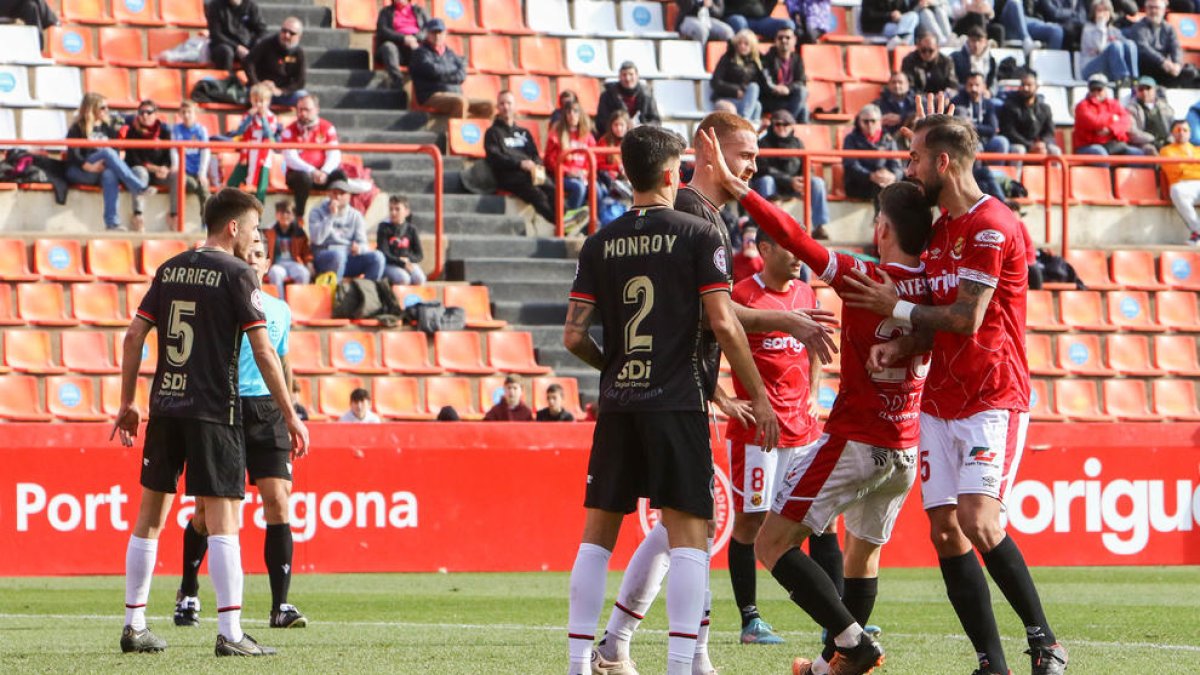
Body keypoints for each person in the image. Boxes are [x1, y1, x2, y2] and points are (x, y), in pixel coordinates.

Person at [591, 112, 839, 675]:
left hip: (678, 390)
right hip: (668, 395)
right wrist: (785, 327)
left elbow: (704, 320)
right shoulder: (686, 216)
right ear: (708, 151)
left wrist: (717, 386)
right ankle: (669, 653)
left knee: (682, 525)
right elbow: (716, 318)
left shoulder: (702, 216)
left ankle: (619, 644)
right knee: (689, 525)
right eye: (744, 153)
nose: (752, 165)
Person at [842, 104, 1068, 675]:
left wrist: (893, 308)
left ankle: (1046, 642)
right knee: (946, 530)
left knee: (980, 520)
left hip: (992, 397)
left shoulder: (993, 226)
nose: (909, 168)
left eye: (916, 158)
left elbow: (966, 318)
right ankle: (991, 661)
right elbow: (936, 319)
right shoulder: (940, 231)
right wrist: (905, 346)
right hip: (938, 404)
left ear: (944, 162)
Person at [563, 123, 779, 675]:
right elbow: (724, 323)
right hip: (678, 400)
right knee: (689, 535)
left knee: (596, 538)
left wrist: (612, 366)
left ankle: (578, 664)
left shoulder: (599, 241)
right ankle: (684, 665)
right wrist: (757, 394)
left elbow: (572, 335)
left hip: (618, 403)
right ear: (670, 172)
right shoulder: (698, 233)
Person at [112, 187, 308, 657]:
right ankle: (232, 633)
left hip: (165, 406)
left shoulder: (170, 267)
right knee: (223, 521)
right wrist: (290, 413)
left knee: (149, 518)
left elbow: (135, 334)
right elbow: (263, 351)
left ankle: (134, 624)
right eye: (254, 228)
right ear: (234, 228)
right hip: (215, 410)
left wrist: (127, 402)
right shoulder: (239, 274)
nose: (256, 237)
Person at [175, 228, 306, 631]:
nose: (253, 260)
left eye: (259, 255)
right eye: (246, 253)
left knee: (278, 501)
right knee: (205, 513)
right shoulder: (222, 303)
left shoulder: (280, 310)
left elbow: (281, 361)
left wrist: (293, 409)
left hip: (267, 410)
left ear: (267, 264)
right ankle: (189, 590)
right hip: (224, 407)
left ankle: (280, 606)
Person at [723, 223, 827, 648]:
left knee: (820, 520)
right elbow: (720, 347)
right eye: (788, 247)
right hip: (756, 432)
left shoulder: (807, 295)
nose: (799, 256)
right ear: (764, 248)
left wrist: (815, 392)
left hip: (802, 429)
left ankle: (834, 616)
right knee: (750, 521)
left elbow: (815, 346)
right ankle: (751, 620)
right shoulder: (741, 297)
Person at [65, 93, 152, 231]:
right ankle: (138, 187)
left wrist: (105, 164)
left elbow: (116, 151)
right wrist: (90, 167)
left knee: (110, 174)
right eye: (103, 107)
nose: (107, 110)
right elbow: (73, 154)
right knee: (107, 152)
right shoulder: (78, 127)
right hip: (82, 169)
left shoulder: (107, 127)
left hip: (101, 169)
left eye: (107, 107)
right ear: (92, 108)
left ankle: (112, 223)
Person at [485, 90, 561, 226]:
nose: (506, 107)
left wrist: (536, 166)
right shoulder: (492, 133)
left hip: (531, 172)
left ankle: (566, 219)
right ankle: (560, 224)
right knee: (538, 195)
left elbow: (535, 155)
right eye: (502, 104)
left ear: (514, 106)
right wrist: (520, 163)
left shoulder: (523, 132)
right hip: (509, 176)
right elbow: (495, 158)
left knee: (553, 188)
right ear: (497, 107)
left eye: (509, 103)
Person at [751, 110, 831, 239]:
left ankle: (819, 226)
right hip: (774, 187)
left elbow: (807, 167)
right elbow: (763, 169)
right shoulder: (763, 143)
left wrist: (803, 180)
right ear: (772, 125)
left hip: (794, 186)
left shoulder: (798, 143)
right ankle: (768, 224)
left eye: (786, 124)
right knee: (766, 181)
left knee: (817, 183)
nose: (782, 128)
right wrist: (789, 181)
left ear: (792, 126)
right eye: (778, 124)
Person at [409, 18, 494, 118]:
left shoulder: (450, 53)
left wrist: (443, 73)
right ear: (427, 34)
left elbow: (461, 75)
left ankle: (475, 130)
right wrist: (452, 70)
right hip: (432, 95)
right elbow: (433, 71)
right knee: (460, 102)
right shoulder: (420, 53)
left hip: (454, 93)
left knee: (488, 105)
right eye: (433, 32)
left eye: (440, 32)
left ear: (445, 34)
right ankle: (458, 131)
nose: (437, 36)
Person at [309, 178, 384, 282]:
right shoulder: (317, 212)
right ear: (329, 194)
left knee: (378, 257)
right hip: (326, 256)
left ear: (349, 196)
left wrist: (359, 249)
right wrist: (331, 216)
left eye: (342, 193)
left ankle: (366, 292)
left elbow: (363, 244)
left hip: (349, 257)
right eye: (335, 193)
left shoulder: (356, 215)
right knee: (338, 255)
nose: (338, 196)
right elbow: (317, 239)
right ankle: (337, 294)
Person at [281, 94, 344, 217]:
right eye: (300, 110)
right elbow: (290, 158)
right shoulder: (289, 130)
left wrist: (325, 171)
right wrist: (313, 171)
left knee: (340, 176)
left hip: (322, 174)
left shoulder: (327, 127)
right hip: (300, 174)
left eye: (307, 110)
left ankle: (340, 214)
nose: (303, 113)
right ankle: (299, 217)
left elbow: (334, 153)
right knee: (303, 179)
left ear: (317, 110)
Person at [119, 99, 177, 232]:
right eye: (141, 112)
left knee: (177, 175)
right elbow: (135, 160)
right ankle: (138, 215)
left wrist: (165, 168)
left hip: (158, 173)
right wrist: (157, 168)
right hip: (140, 171)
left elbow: (168, 157)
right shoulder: (132, 131)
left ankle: (174, 215)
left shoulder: (164, 131)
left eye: (148, 112)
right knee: (140, 172)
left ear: (156, 114)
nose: (145, 115)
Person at [227, 83, 281, 205]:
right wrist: (249, 118)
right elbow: (240, 132)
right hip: (246, 156)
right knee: (232, 184)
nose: (258, 104)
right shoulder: (248, 115)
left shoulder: (271, 117)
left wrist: (263, 118)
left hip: (263, 158)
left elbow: (269, 134)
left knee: (260, 191)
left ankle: (258, 220)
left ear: (268, 101)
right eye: (255, 101)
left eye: (261, 101)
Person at [1127, 0, 1199, 88]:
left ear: (1164, 10)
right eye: (1150, 8)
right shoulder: (1138, 27)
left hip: (1165, 68)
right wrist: (1163, 62)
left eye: (1156, 8)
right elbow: (1143, 49)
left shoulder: (1169, 28)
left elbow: (1176, 48)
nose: (1153, 11)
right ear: (1145, 9)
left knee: (1190, 72)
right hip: (1147, 66)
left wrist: (1177, 64)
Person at [544, 99, 598, 215]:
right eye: (568, 112)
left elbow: (593, 159)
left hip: (582, 176)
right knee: (578, 188)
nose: (572, 115)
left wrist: (585, 172)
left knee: (597, 189)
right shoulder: (556, 134)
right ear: (564, 115)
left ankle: (594, 223)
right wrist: (568, 172)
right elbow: (549, 161)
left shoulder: (587, 136)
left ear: (580, 114)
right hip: (561, 176)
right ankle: (568, 221)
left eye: (575, 111)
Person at [1074, 73, 1144, 157]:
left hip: (1112, 145)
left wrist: (1110, 129)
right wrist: (1113, 117)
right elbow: (1095, 122)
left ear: (1105, 89)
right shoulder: (1082, 106)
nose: (1096, 93)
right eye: (1093, 89)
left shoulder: (1114, 103)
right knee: (1101, 153)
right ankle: (1106, 170)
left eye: (1099, 89)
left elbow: (1126, 121)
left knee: (1137, 153)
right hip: (1088, 146)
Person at [244, 17, 308, 108]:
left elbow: (300, 81)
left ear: (299, 37)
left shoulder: (299, 53)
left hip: (282, 93)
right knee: (249, 96)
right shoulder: (266, 44)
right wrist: (258, 84)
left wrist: (282, 91)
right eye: (284, 31)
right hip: (261, 90)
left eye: (291, 33)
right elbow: (249, 62)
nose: (286, 35)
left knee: (303, 98)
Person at [843, 105, 903, 200]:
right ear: (859, 122)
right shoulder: (851, 139)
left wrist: (893, 176)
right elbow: (851, 165)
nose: (870, 124)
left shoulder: (889, 140)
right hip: (858, 184)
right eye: (865, 121)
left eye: (873, 121)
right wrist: (871, 176)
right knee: (881, 187)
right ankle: (881, 215)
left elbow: (897, 166)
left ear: (879, 122)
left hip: (885, 181)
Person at [999, 71, 1060, 157]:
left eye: (1029, 85)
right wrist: (1030, 145)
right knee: (1019, 150)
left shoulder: (1045, 108)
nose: (1025, 88)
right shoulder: (1010, 106)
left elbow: (1050, 132)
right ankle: (1016, 171)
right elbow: (1009, 132)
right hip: (1018, 143)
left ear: (1036, 87)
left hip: (1039, 145)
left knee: (1055, 151)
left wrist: (1042, 143)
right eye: (1023, 85)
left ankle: (1055, 171)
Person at [711, 29, 765, 123]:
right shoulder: (727, 58)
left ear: (752, 46)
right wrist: (736, 91)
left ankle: (746, 121)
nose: (742, 46)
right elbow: (715, 82)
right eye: (739, 43)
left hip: (745, 100)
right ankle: (744, 120)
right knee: (730, 109)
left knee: (757, 104)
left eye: (746, 44)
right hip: (725, 98)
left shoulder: (756, 63)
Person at [594, 62, 662, 136]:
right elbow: (601, 123)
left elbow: (656, 122)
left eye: (631, 74)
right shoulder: (607, 95)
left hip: (642, 137)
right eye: (624, 75)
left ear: (637, 76)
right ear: (619, 77)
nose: (628, 78)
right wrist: (620, 127)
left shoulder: (647, 95)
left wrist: (642, 127)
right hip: (614, 138)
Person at [1160, 120, 1200, 245]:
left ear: (1190, 133)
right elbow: (1176, 170)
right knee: (1177, 191)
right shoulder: (1166, 151)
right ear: (1172, 133)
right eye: (1178, 130)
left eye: (1185, 130)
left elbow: (1182, 169)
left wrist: (1186, 167)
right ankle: (1198, 231)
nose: (1181, 133)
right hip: (1183, 185)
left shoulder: (1197, 150)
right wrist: (1195, 167)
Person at [375, 0, 429, 92]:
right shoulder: (385, 12)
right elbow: (382, 31)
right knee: (389, 47)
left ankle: (424, 87)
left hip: (414, 46)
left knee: (422, 52)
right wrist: (403, 38)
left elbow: (428, 29)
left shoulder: (420, 11)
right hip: (395, 48)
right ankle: (397, 81)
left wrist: (415, 38)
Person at [1081, 0, 1139, 84]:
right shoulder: (1088, 29)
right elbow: (1100, 48)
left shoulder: (1114, 30)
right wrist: (1101, 25)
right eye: (1099, 11)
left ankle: (1134, 78)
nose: (1103, 14)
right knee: (1115, 45)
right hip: (1090, 69)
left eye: (1106, 10)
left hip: (1109, 70)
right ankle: (1122, 78)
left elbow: (1125, 47)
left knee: (1130, 44)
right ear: (1094, 13)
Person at [172, 100, 212, 219]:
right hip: (184, 171)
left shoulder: (201, 130)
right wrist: (176, 165)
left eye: (189, 112)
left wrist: (202, 173)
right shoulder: (177, 129)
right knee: (191, 184)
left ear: (195, 114)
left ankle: (206, 222)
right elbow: (174, 149)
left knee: (204, 189)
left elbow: (205, 151)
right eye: (183, 112)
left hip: (197, 170)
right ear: (180, 114)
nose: (186, 115)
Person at [263, 200, 314, 296]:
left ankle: (298, 302)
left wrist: (309, 262)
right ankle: (280, 304)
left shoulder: (299, 232)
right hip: (277, 264)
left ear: (293, 216)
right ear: (276, 215)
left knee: (304, 273)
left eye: (288, 212)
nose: (285, 215)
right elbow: (263, 251)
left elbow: (306, 251)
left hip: (294, 263)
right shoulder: (269, 231)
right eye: (281, 212)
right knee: (275, 273)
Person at [952, 72, 1008, 154]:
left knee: (1002, 142)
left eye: (977, 85)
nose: (973, 88)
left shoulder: (989, 104)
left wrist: (973, 126)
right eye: (970, 85)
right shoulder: (957, 102)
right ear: (965, 86)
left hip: (985, 140)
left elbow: (992, 129)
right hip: (966, 140)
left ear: (984, 87)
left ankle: (995, 167)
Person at [761, 27, 808, 123]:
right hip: (773, 99)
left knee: (804, 105)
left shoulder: (797, 59)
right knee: (802, 109)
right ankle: (787, 125)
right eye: (780, 38)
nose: (784, 40)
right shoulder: (767, 59)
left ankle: (786, 126)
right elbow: (765, 80)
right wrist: (776, 88)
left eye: (787, 37)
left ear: (794, 40)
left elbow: (802, 82)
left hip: (790, 98)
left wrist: (788, 88)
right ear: (775, 40)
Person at [205, 0, 267, 73]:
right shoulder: (215, 5)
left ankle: (255, 80)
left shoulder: (251, 6)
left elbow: (262, 31)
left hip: (247, 45)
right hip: (224, 44)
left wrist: (252, 47)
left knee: (259, 50)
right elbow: (215, 33)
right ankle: (225, 81)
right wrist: (236, 47)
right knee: (226, 51)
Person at [377, 194, 426, 285]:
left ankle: (416, 299)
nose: (393, 212)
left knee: (420, 278)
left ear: (406, 212)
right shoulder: (383, 228)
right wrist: (400, 262)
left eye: (397, 209)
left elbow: (419, 255)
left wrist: (408, 260)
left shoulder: (411, 229)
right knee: (404, 278)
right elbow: (384, 253)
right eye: (391, 209)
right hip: (390, 264)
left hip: (407, 262)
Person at [1126, 76, 1174, 154]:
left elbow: (1174, 127)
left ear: (1155, 90)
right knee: (1150, 151)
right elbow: (1132, 132)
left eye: (1148, 88)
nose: (1144, 92)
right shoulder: (1131, 109)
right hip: (1144, 144)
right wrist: (1152, 140)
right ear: (1136, 91)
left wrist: (1169, 140)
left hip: (1167, 142)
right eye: (1141, 89)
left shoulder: (1165, 107)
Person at [950, 26, 997, 91]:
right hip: (961, 94)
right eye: (973, 40)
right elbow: (952, 80)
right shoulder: (955, 57)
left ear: (985, 42)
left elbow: (994, 81)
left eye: (980, 41)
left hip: (984, 96)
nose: (976, 44)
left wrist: (990, 92)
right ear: (968, 41)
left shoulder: (991, 60)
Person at [725, 0, 797, 38]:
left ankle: (775, 61)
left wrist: (764, 12)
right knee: (739, 22)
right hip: (736, 17)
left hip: (760, 20)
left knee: (788, 25)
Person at [877, 71, 918, 136]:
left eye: (900, 82)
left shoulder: (918, 100)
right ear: (888, 85)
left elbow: (923, 115)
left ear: (907, 84)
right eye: (893, 82)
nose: (897, 85)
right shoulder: (879, 103)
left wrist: (901, 118)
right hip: (889, 140)